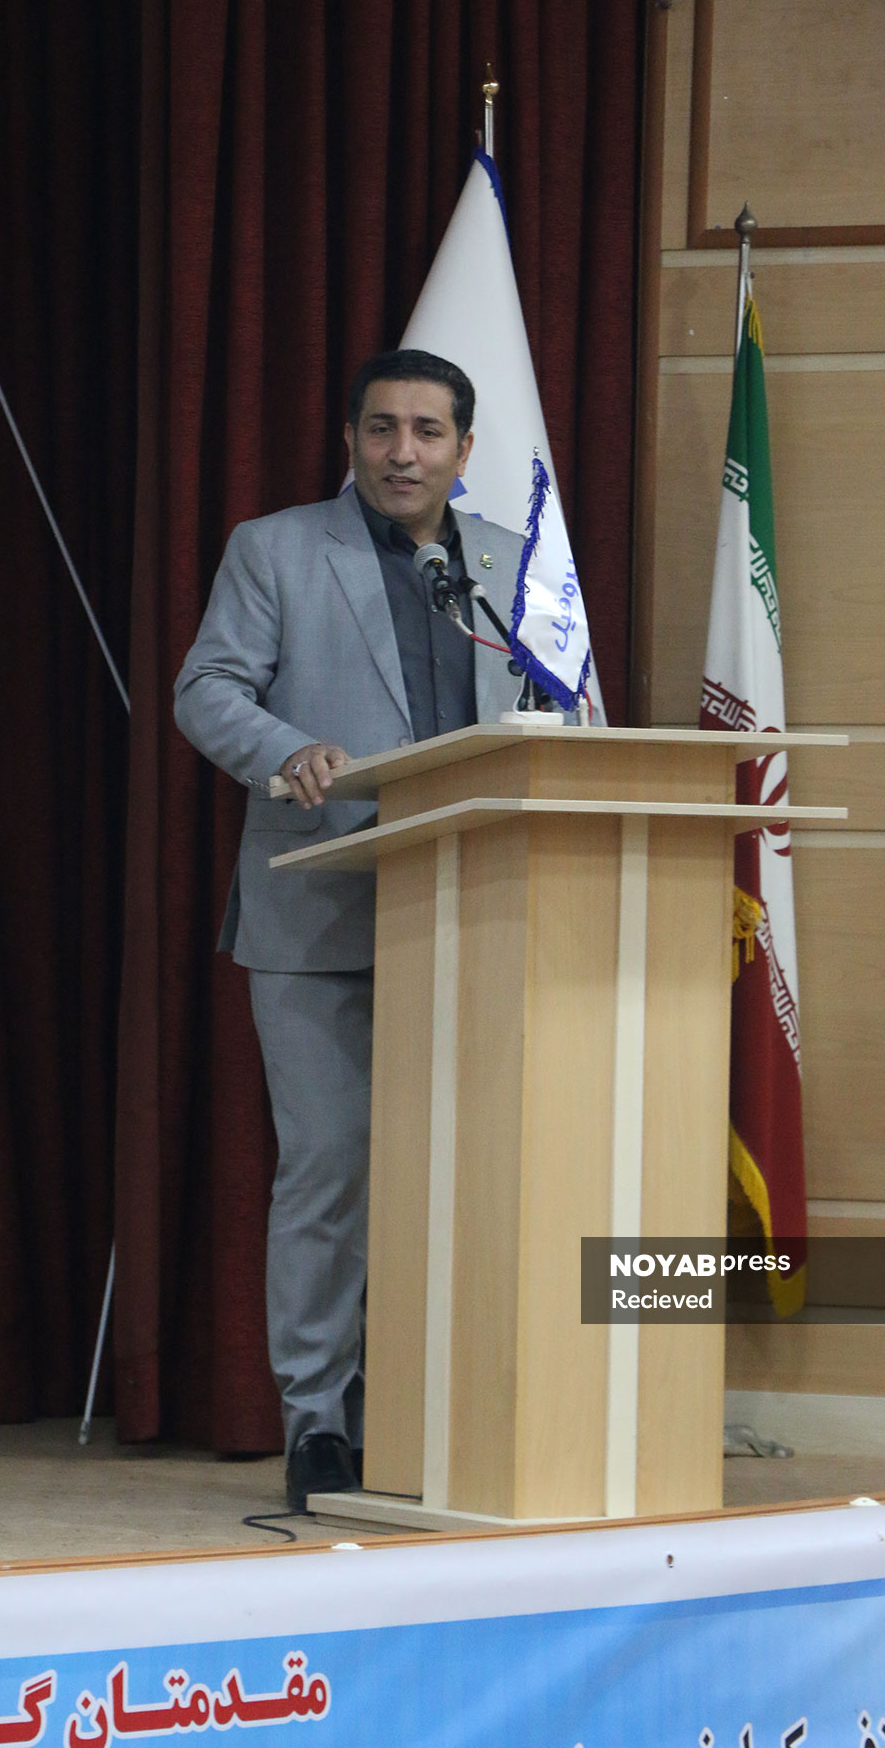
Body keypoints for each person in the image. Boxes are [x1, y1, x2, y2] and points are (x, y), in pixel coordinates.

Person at [174, 348, 529, 1509]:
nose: (402, 453)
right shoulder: (276, 550)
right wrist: (289, 752)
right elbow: (206, 690)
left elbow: (557, 706)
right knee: (329, 1169)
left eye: (428, 432)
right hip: (318, 909)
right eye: (382, 429)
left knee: (468, 1173)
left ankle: (435, 1413)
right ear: (349, 441)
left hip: (479, 918)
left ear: (464, 450)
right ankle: (319, 1421)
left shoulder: (508, 563)